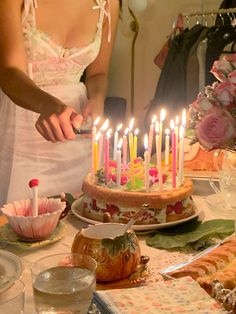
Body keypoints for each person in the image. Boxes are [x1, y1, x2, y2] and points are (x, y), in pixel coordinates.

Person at [0, 0, 120, 206]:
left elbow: (98, 74)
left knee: (86, 218)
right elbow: (9, 72)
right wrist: (46, 104)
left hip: (80, 132)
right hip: (25, 125)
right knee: (28, 224)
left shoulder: (108, 4)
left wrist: (97, 98)